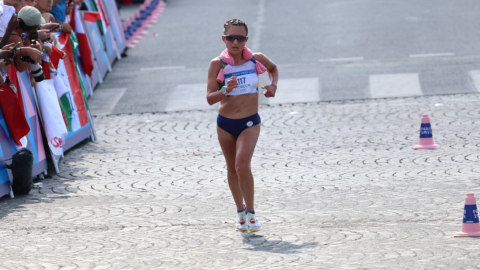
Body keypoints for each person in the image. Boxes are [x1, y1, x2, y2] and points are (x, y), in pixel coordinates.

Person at [206, 19, 278, 232]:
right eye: (231, 37)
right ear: (224, 39)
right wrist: (225, 90)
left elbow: (273, 69)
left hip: (249, 122)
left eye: (240, 38)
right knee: (231, 169)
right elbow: (210, 98)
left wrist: (273, 85)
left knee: (242, 166)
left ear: (246, 40)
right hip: (225, 124)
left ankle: (252, 213)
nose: (235, 41)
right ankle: (240, 213)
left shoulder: (256, 59)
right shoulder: (217, 64)